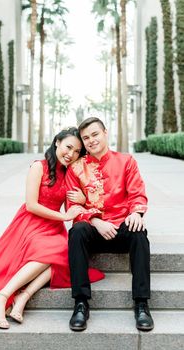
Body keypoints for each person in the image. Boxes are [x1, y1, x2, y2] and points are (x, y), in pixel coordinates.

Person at [0, 127, 104, 328]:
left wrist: (82, 199)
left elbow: (74, 207)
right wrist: (63, 216)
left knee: (64, 250)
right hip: (30, 223)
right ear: (57, 142)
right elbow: (31, 205)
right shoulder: (38, 167)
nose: (71, 154)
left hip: (53, 228)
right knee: (56, 251)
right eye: (68, 147)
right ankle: (1, 296)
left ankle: (22, 298)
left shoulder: (69, 174)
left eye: (76, 152)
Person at [65, 117, 154, 332]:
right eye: (86, 138)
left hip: (122, 226)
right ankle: (80, 303)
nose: (91, 140)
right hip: (93, 231)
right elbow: (72, 209)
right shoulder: (76, 168)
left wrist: (136, 213)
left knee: (139, 232)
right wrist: (96, 221)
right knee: (76, 231)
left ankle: (141, 303)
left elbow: (137, 193)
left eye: (95, 134)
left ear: (105, 132)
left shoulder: (126, 161)